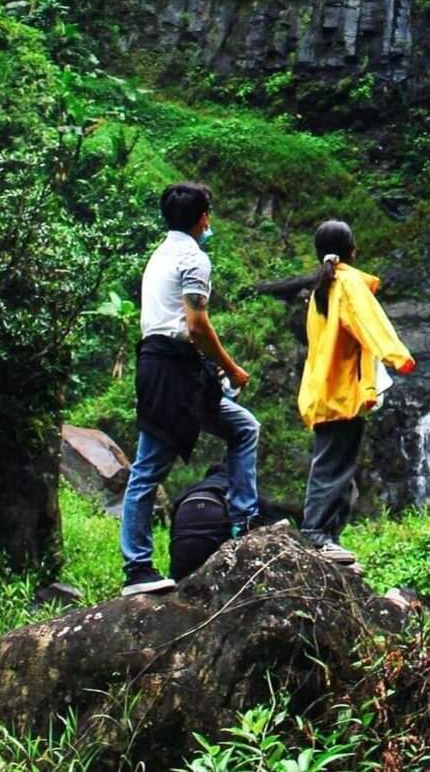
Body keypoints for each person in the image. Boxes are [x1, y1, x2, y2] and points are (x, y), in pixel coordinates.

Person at [119, 181, 260, 596]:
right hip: (169, 369)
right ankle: (137, 568)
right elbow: (196, 326)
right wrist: (232, 369)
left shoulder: (160, 254)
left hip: (175, 366)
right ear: (203, 218)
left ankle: (242, 522)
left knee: (242, 428)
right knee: (147, 469)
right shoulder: (193, 259)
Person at [298, 219, 415, 567]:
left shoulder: (324, 288)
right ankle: (316, 534)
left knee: (336, 464)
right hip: (340, 392)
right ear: (353, 250)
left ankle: (329, 538)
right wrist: (397, 356)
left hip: (325, 388)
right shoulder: (348, 283)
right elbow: (369, 322)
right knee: (331, 466)